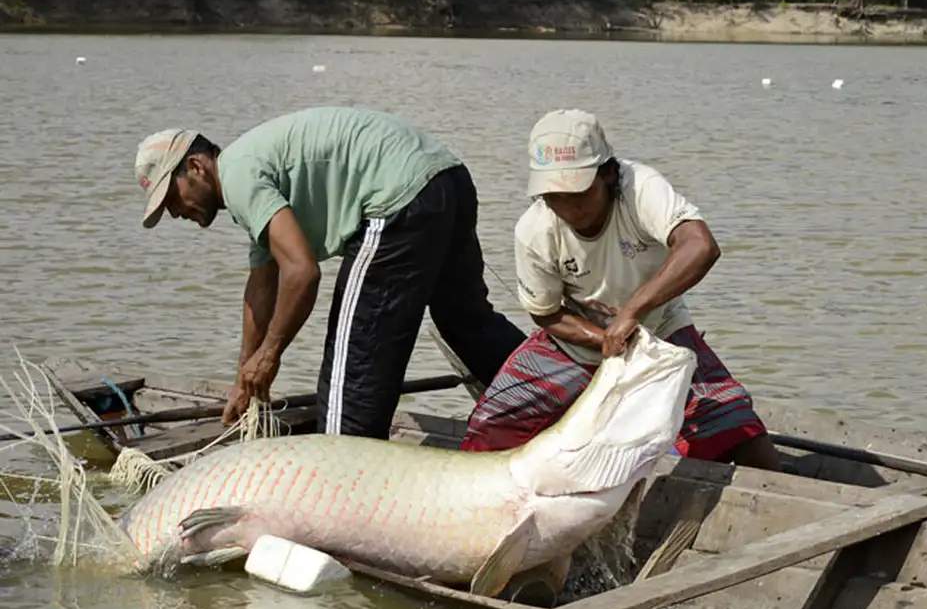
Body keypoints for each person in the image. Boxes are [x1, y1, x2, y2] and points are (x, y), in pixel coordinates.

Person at [134, 106, 526, 439]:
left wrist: (270, 355)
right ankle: (557, 395)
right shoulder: (249, 170)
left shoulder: (239, 178)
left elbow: (302, 273)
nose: (175, 213)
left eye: (172, 197)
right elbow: (262, 284)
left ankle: (345, 485)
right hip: (447, 179)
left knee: (351, 374)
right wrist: (243, 377)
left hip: (398, 199)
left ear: (196, 167)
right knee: (467, 322)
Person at [458, 108, 789, 472]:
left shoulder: (639, 188)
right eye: (554, 195)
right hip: (574, 342)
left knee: (740, 432)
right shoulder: (534, 229)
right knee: (488, 428)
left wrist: (632, 314)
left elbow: (699, 245)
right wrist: (603, 338)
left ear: (608, 175)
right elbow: (546, 312)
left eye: (578, 192)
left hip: (659, 332)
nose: (568, 207)